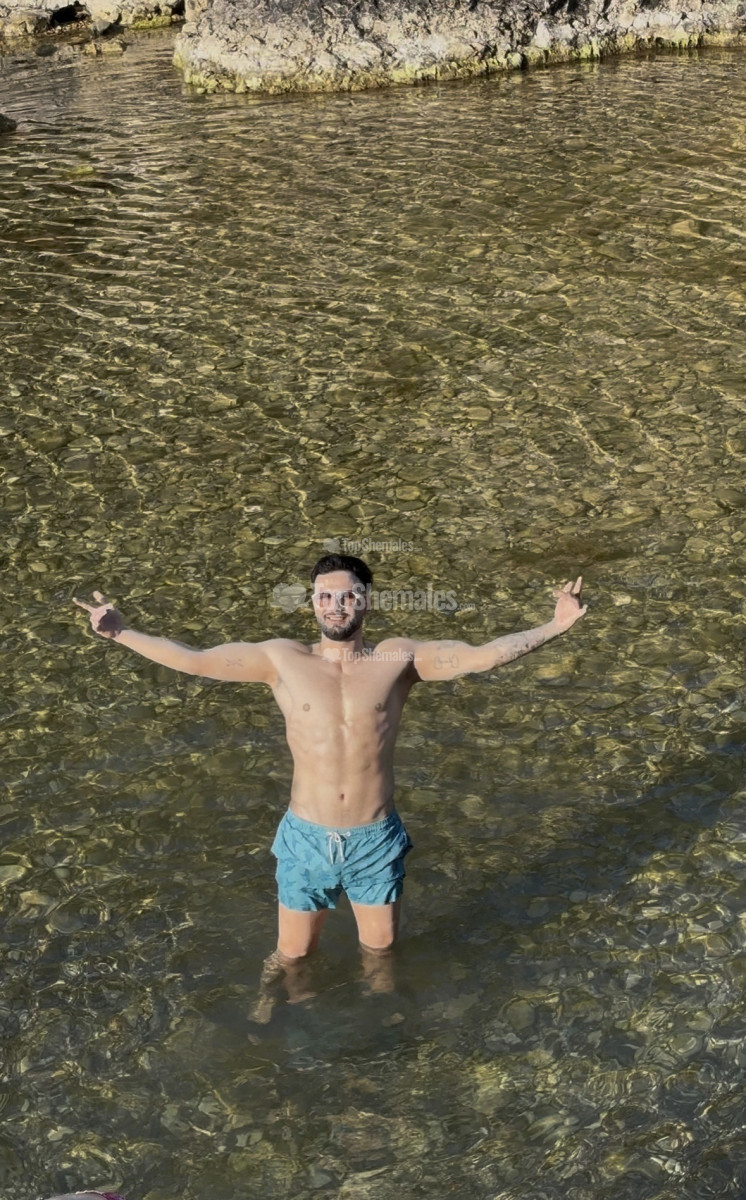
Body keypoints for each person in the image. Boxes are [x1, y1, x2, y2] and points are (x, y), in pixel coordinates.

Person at [74, 554, 586, 989]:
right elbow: (195, 660)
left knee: (381, 955)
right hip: (306, 838)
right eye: (325, 596)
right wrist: (120, 632)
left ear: (366, 602)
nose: (335, 605)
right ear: (312, 603)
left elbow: (480, 657)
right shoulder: (281, 659)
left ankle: (382, 1027)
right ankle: (276, 1015)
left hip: (374, 838)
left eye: (347, 596)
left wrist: (555, 626)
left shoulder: (399, 659)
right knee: (292, 956)